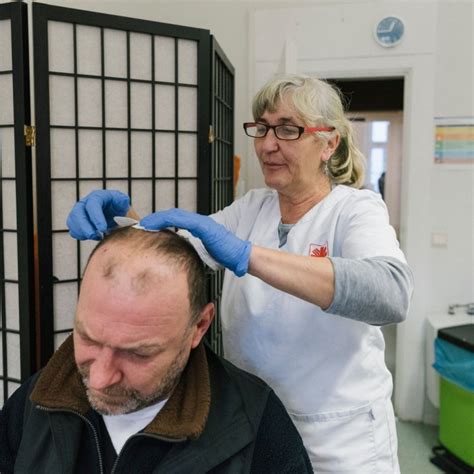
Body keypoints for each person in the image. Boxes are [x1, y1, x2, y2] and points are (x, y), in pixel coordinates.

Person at [66, 74, 414, 472]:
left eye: (287, 129)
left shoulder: (354, 210)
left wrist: (248, 254)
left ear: (328, 143)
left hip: (337, 436)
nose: (267, 144)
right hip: (258, 424)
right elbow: (177, 254)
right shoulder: (253, 208)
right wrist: (123, 222)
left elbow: (391, 293)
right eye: (261, 128)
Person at [0, 227, 312, 473]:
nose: (99, 379)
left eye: (137, 354)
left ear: (199, 327)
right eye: (88, 339)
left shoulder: (254, 428)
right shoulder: (38, 402)